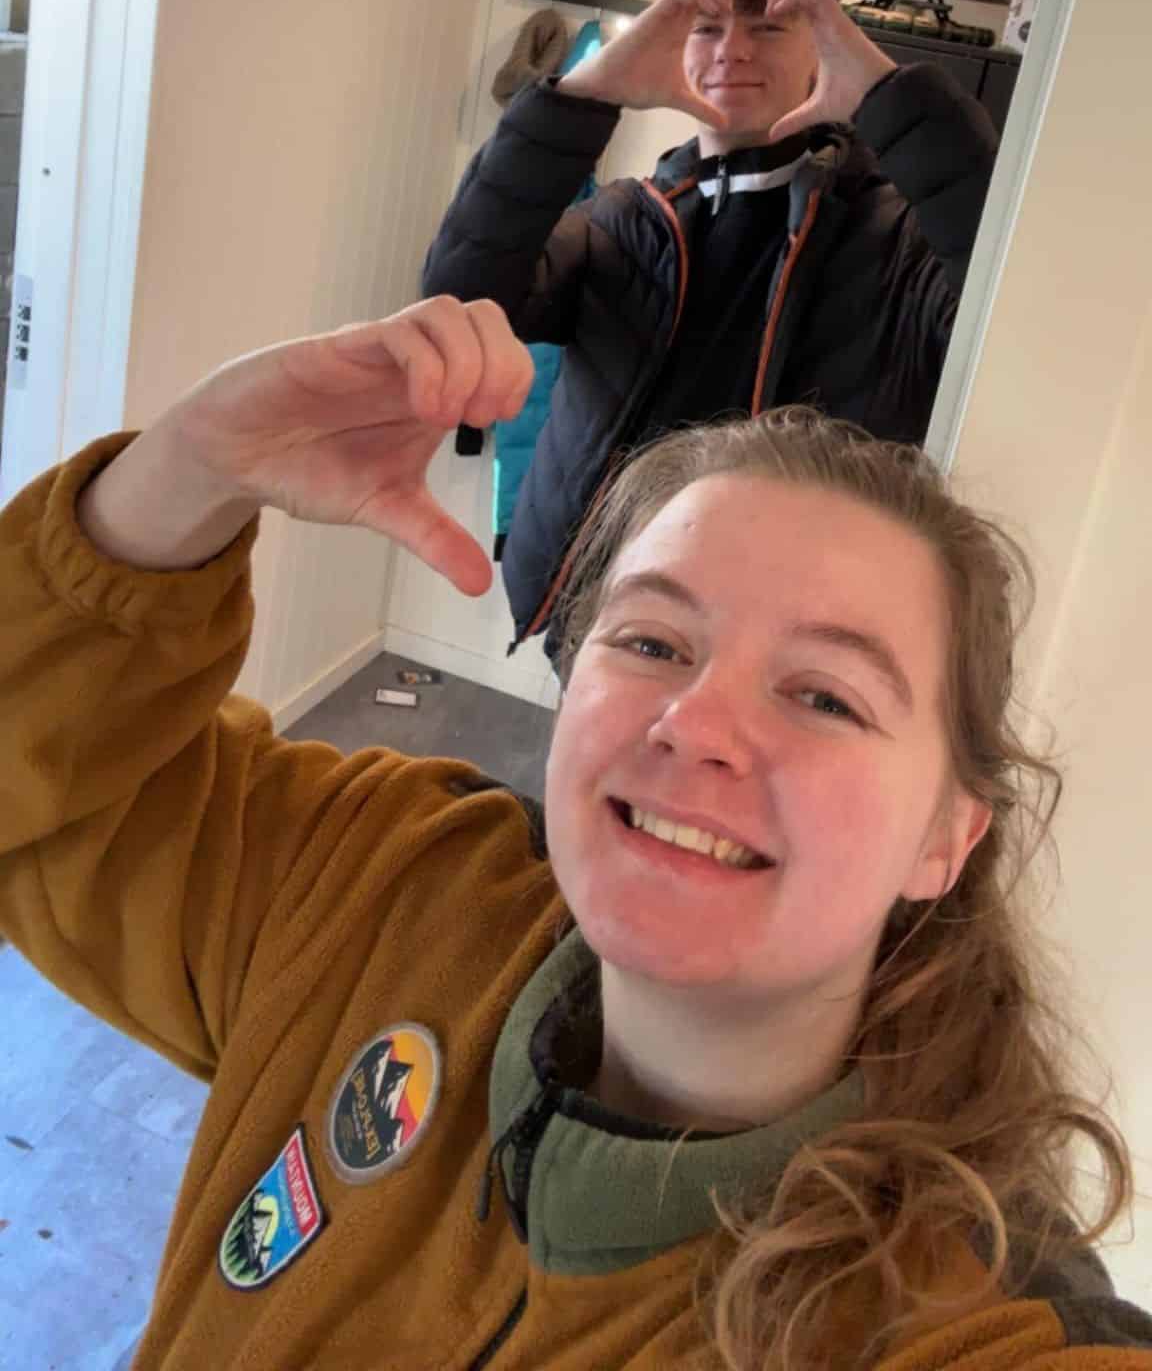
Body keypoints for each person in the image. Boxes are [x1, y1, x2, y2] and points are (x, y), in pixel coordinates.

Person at [0, 293, 1147, 1371]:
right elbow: (48, 790)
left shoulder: (963, 1320)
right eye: (653, 641)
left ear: (947, 837)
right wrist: (187, 467)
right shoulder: (388, 879)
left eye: (824, 695)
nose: (694, 722)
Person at [424, 0, 1001, 648]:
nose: (734, 50)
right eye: (705, 27)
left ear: (822, 44)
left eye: (769, 26)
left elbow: (1015, 324)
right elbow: (460, 301)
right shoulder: (620, 222)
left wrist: (895, 101)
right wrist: (580, 100)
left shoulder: (899, 237)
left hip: (797, 633)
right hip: (610, 609)